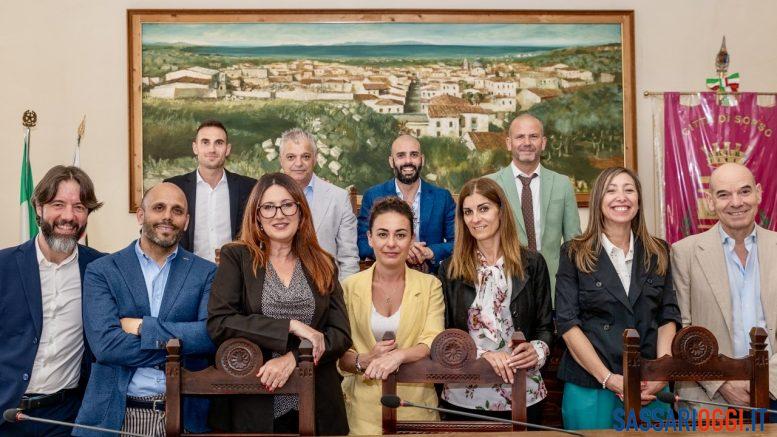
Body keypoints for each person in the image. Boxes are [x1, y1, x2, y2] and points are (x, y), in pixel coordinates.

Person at [207, 172, 351, 435]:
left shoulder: (323, 263)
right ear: (257, 216)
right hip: (253, 401)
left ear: (300, 211)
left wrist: (294, 359)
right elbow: (220, 323)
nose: (279, 215)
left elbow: (340, 335)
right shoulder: (237, 257)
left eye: (287, 205)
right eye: (269, 207)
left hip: (317, 403)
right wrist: (290, 326)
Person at [74, 183, 216, 437]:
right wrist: (179, 350)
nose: (167, 217)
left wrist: (143, 328)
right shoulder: (102, 271)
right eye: (159, 208)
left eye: (177, 211)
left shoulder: (206, 273)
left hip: (186, 417)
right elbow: (106, 346)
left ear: (186, 221)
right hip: (118, 416)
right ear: (141, 215)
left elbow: (208, 336)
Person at [555, 167, 680, 430]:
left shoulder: (658, 251)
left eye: (629, 190)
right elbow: (568, 324)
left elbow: (667, 316)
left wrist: (661, 373)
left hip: (649, 384)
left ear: (639, 200)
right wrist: (608, 379)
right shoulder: (574, 252)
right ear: (598, 200)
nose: (621, 197)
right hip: (591, 384)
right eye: (611, 190)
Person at [437, 177, 553, 424]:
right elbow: (444, 335)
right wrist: (481, 354)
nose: (475, 219)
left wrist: (536, 350)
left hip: (524, 392)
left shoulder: (533, 263)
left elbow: (545, 327)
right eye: (468, 212)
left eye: (483, 208)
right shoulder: (449, 269)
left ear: (501, 211)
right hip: (464, 397)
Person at [0, 166, 104, 437]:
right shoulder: (4, 266)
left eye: (79, 207)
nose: (68, 216)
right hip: (5, 416)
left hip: (65, 418)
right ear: (39, 207)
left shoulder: (101, 269)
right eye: (58, 204)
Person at [672, 162, 777, 417]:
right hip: (710, 399)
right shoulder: (684, 253)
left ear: (758, 193)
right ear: (710, 201)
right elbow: (684, 331)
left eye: (744, 191)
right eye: (724, 194)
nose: (736, 202)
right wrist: (722, 383)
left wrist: (767, 383)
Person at [339, 197, 444, 435]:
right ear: (370, 238)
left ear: (412, 239)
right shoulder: (349, 287)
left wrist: (399, 356)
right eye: (382, 234)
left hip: (416, 411)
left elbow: (431, 340)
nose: (391, 243)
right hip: (361, 414)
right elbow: (341, 354)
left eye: (400, 235)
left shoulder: (430, 285)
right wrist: (365, 359)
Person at [488, 114, 580, 300]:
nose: (527, 142)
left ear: (543, 142)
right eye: (520, 137)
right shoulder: (490, 185)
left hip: (553, 288)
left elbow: (574, 243)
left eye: (533, 136)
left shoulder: (562, 184)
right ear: (509, 143)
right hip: (504, 287)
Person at [358, 134, 455, 271]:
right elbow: (362, 243)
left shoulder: (442, 197)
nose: (408, 161)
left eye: (414, 155)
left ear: (422, 159)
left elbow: (458, 242)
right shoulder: (373, 196)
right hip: (387, 273)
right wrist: (400, 250)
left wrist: (430, 251)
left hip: (431, 274)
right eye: (401, 155)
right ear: (391, 161)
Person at [165, 119, 257, 262]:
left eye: (219, 143)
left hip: (234, 272)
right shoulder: (174, 187)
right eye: (205, 142)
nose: (212, 149)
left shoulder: (249, 187)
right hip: (187, 271)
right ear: (195, 148)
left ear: (227, 149)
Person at [279, 127, 359, 280]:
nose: (298, 163)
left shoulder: (339, 198)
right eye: (291, 157)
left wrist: (342, 294)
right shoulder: (266, 198)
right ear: (281, 160)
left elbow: (349, 258)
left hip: (325, 289)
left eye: (305, 156)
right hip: (278, 288)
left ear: (315, 159)